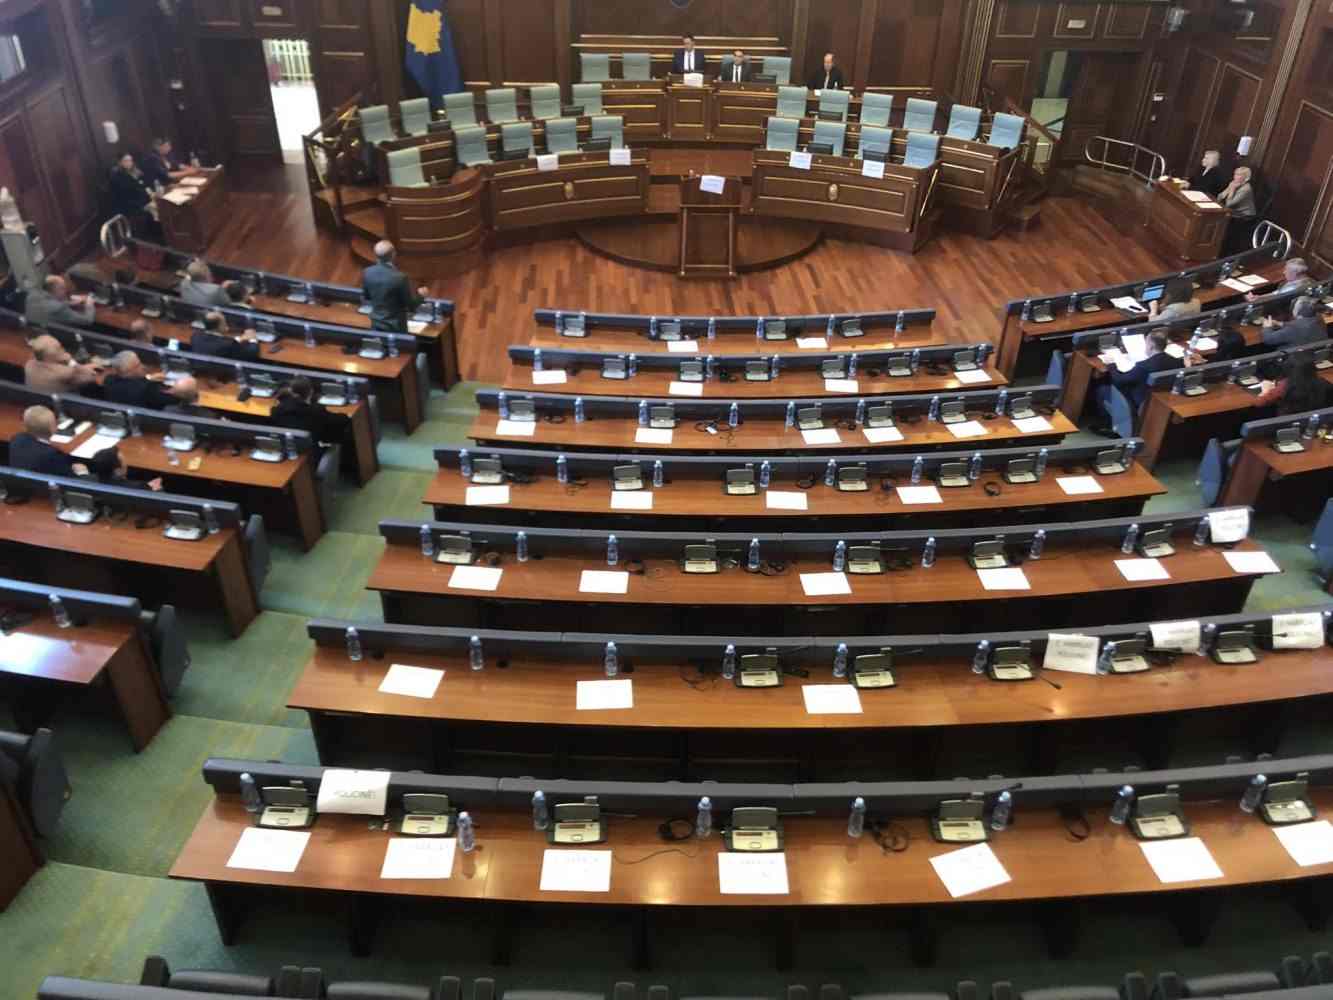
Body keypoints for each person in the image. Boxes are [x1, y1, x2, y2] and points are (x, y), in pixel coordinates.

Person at [9, 405, 120, 479]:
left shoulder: (16, 440)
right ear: (54, 428)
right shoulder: (51, 456)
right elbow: (74, 484)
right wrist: (82, 473)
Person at [1105, 329, 1183, 414]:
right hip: (1162, 401)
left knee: (1102, 389)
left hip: (1141, 403)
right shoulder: (1177, 362)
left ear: (1151, 346)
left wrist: (1111, 365)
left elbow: (1119, 380)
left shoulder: (1144, 366)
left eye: (1146, 343)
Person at [272, 376, 350, 460]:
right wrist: (346, 416)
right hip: (312, 454)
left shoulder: (276, 410)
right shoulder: (316, 411)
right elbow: (341, 420)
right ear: (311, 391)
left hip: (287, 450)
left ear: (291, 391)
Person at [362, 241, 429, 333]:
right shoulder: (400, 278)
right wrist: (421, 296)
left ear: (376, 255)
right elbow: (410, 306)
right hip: (396, 328)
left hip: (376, 325)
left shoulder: (367, 272)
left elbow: (367, 297)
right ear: (393, 254)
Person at [102, 351, 197, 410]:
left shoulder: (109, 381)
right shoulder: (148, 390)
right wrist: (180, 387)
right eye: (138, 365)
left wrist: (148, 378)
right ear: (128, 372)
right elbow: (178, 397)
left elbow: (132, 384)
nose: (142, 366)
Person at [1252, 354, 1330, 414]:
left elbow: (1258, 403)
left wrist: (1265, 390)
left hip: (1288, 420)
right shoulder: (1323, 382)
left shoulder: (1284, 386)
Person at [108, 153, 160, 240]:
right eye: (126, 161)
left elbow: (144, 185)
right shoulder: (117, 177)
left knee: (161, 204)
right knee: (156, 209)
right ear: (120, 162)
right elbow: (126, 196)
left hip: (143, 200)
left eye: (130, 160)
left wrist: (151, 193)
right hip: (131, 205)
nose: (129, 163)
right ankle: (157, 235)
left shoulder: (135, 172)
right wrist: (145, 202)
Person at [24, 334, 98, 395]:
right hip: (65, 405)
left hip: (37, 401)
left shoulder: (29, 365)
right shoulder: (65, 372)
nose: (63, 349)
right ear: (52, 356)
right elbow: (91, 376)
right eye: (60, 348)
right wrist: (70, 360)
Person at [24, 275, 95, 329]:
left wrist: (68, 303)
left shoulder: (32, 296)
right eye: (62, 288)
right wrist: (89, 304)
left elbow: (48, 304)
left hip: (34, 330)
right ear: (54, 290)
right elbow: (87, 320)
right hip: (58, 338)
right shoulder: (60, 309)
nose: (66, 291)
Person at [190, 311, 261, 362]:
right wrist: (253, 339)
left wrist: (240, 338)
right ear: (219, 327)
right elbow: (252, 354)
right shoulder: (227, 345)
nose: (226, 325)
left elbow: (216, 341)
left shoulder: (195, 336)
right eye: (224, 323)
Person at [1261, 297, 1328, 349]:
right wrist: (1281, 323)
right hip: (1319, 354)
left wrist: (1267, 328)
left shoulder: (1292, 329)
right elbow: (1301, 325)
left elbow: (1268, 339)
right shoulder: (1319, 319)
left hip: (1297, 358)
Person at [1220, 165, 1258, 254]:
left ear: (1246, 178)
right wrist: (1228, 189)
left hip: (1245, 216)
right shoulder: (1233, 183)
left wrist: (1232, 190)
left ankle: (1226, 251)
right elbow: (1220, 196)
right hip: (1234, 212)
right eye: (1235, 174)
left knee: (1224, 223)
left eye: (1239, 175)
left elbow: (1229, 204)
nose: (1235, 177)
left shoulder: (1246, 189)